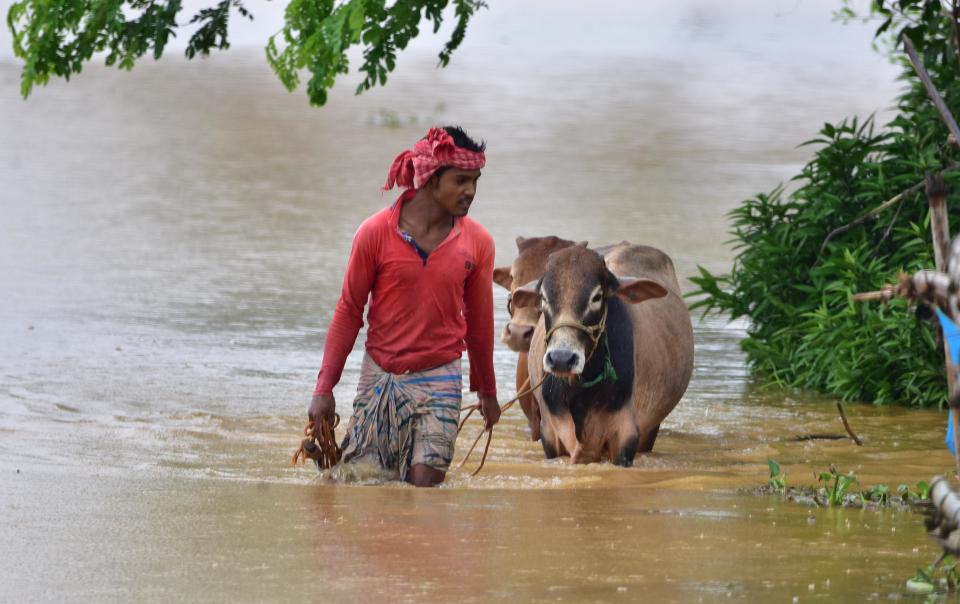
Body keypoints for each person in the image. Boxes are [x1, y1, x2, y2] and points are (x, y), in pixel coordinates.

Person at [309, 126, 501, 487]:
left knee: (425, 485)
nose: (470, 192)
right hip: (381, 376)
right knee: (367, 482)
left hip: (441, 376)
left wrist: (486, 391)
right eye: (461, 181)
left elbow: (479, 324)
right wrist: (324, 389)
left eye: (475, 181)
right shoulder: (374, 233)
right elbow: (349, 311)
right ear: (430, 179)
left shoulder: (478, 242)